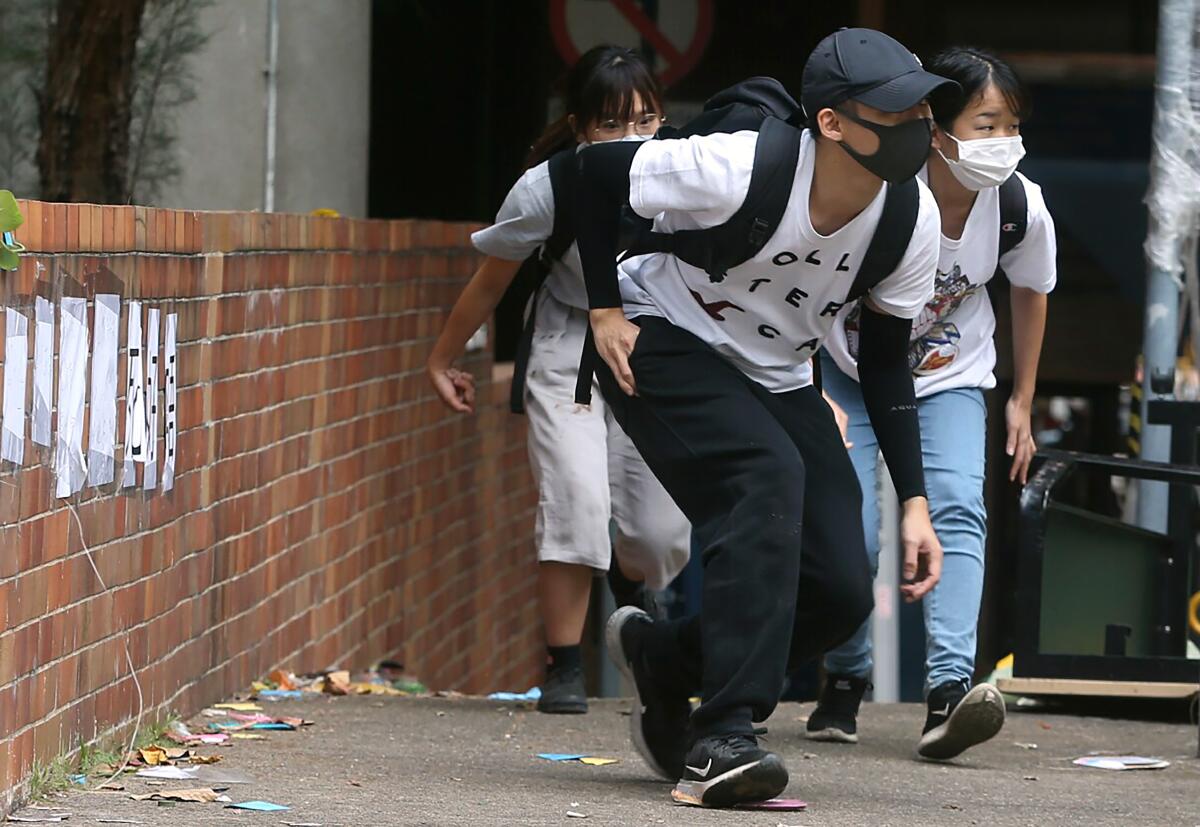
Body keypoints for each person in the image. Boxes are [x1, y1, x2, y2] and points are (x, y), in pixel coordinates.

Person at [575, 28, 954, 808]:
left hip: (776, 369)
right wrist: (604, 309)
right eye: (894, 109)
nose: (917, 122)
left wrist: (915, 500)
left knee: (841, 587)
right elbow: (588, 173)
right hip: (662, 333)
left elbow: (885, 361)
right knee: (764, 477)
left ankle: (667, 660)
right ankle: (723, 737)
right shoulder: (738, 166)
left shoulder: (908, 221)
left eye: (923, 106)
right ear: (833, 124)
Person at [426, 45, 690, 716]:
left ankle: (632, 590)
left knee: (659, 533)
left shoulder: (691, 177)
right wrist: (443, 358)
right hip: (567, 341)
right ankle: (564, 662)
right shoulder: (550, 185)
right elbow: (492, 278)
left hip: (651, 343)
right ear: (579, 126)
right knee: (576, 499)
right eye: (612, 123)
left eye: (645, 120)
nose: (631, 139)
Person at [811, 46, 1056, 760]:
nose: (1001, 142)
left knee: (956, 505)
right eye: (985, 124)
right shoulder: (880, 191)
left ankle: (949, 690)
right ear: (936, 128)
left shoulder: (1017, 204)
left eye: (1010, 124)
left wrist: (1023, 397)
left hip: (950, 376)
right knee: (848, 526)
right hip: (850, 372)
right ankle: (847, 674)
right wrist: (805, 380)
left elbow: (1031, 291)